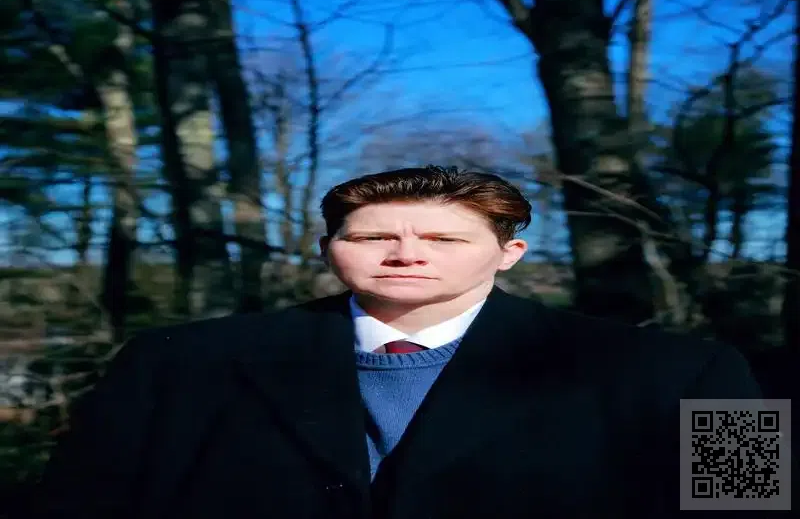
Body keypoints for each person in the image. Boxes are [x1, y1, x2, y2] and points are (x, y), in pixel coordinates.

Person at [30, 165, 774, 519]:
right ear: (328, 249)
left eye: (445, 238)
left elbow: (757, 506)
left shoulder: (696, 366)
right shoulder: (173, 360)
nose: (407, 254)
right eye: (373, 237)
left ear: (508, 254)